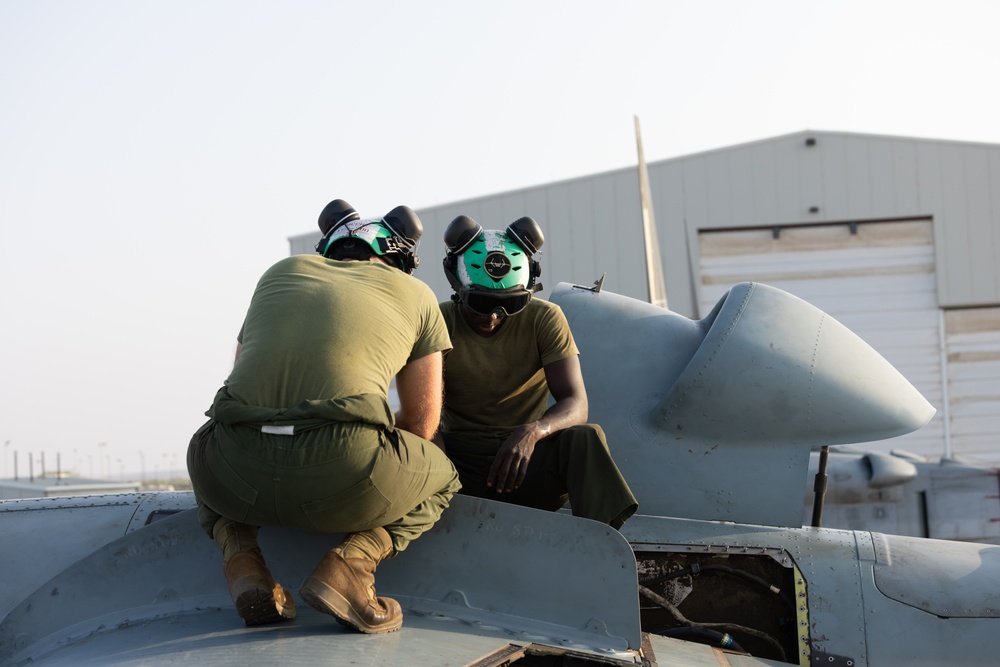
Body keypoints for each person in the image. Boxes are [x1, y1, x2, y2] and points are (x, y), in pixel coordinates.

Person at [187, 199, 460, 635]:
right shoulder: (417, 294)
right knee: (443, 472)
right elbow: (423, 424)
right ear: (398, 258)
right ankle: (352, 566)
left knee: (211, 439)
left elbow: (244, 380)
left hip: (235, 473)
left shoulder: (278, 274)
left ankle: (243, 560)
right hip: (344, 474)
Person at [436, 214, 637, 529]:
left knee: (585, 438)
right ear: (455, 283)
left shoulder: (545, 318)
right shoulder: (437, 321)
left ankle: (604, 547)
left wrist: (534, 432)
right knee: (402, 442)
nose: (491, 316)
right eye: (479, 303)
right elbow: (420, 412)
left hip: (524, 464)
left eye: (507, 305)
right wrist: (437, 468)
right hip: (458, 463)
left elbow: (575, 402)